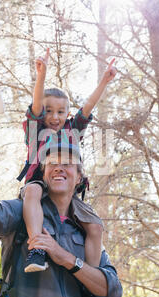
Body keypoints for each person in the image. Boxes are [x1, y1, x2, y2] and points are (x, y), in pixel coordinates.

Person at [0, 96, 122, 297]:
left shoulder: (86, 229)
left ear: (80, 176)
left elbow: (111, 290)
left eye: (68, 162)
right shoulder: (21, 212)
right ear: (44, 173)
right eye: (52, 162)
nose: (59, 167)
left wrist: (66, 258)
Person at [19, 47, 117, 273]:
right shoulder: (36, 129)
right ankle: (37, 248)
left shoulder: (73, 129)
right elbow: (35, 108)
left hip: (67, 189)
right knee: (32, 193)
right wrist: (41, 75)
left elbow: (87, 108)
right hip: (40, 182)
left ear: (67, 114)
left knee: (94, 226)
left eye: (61, 112)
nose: (55, 117)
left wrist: (104, 81)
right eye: (49, 111)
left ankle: (90, 277)